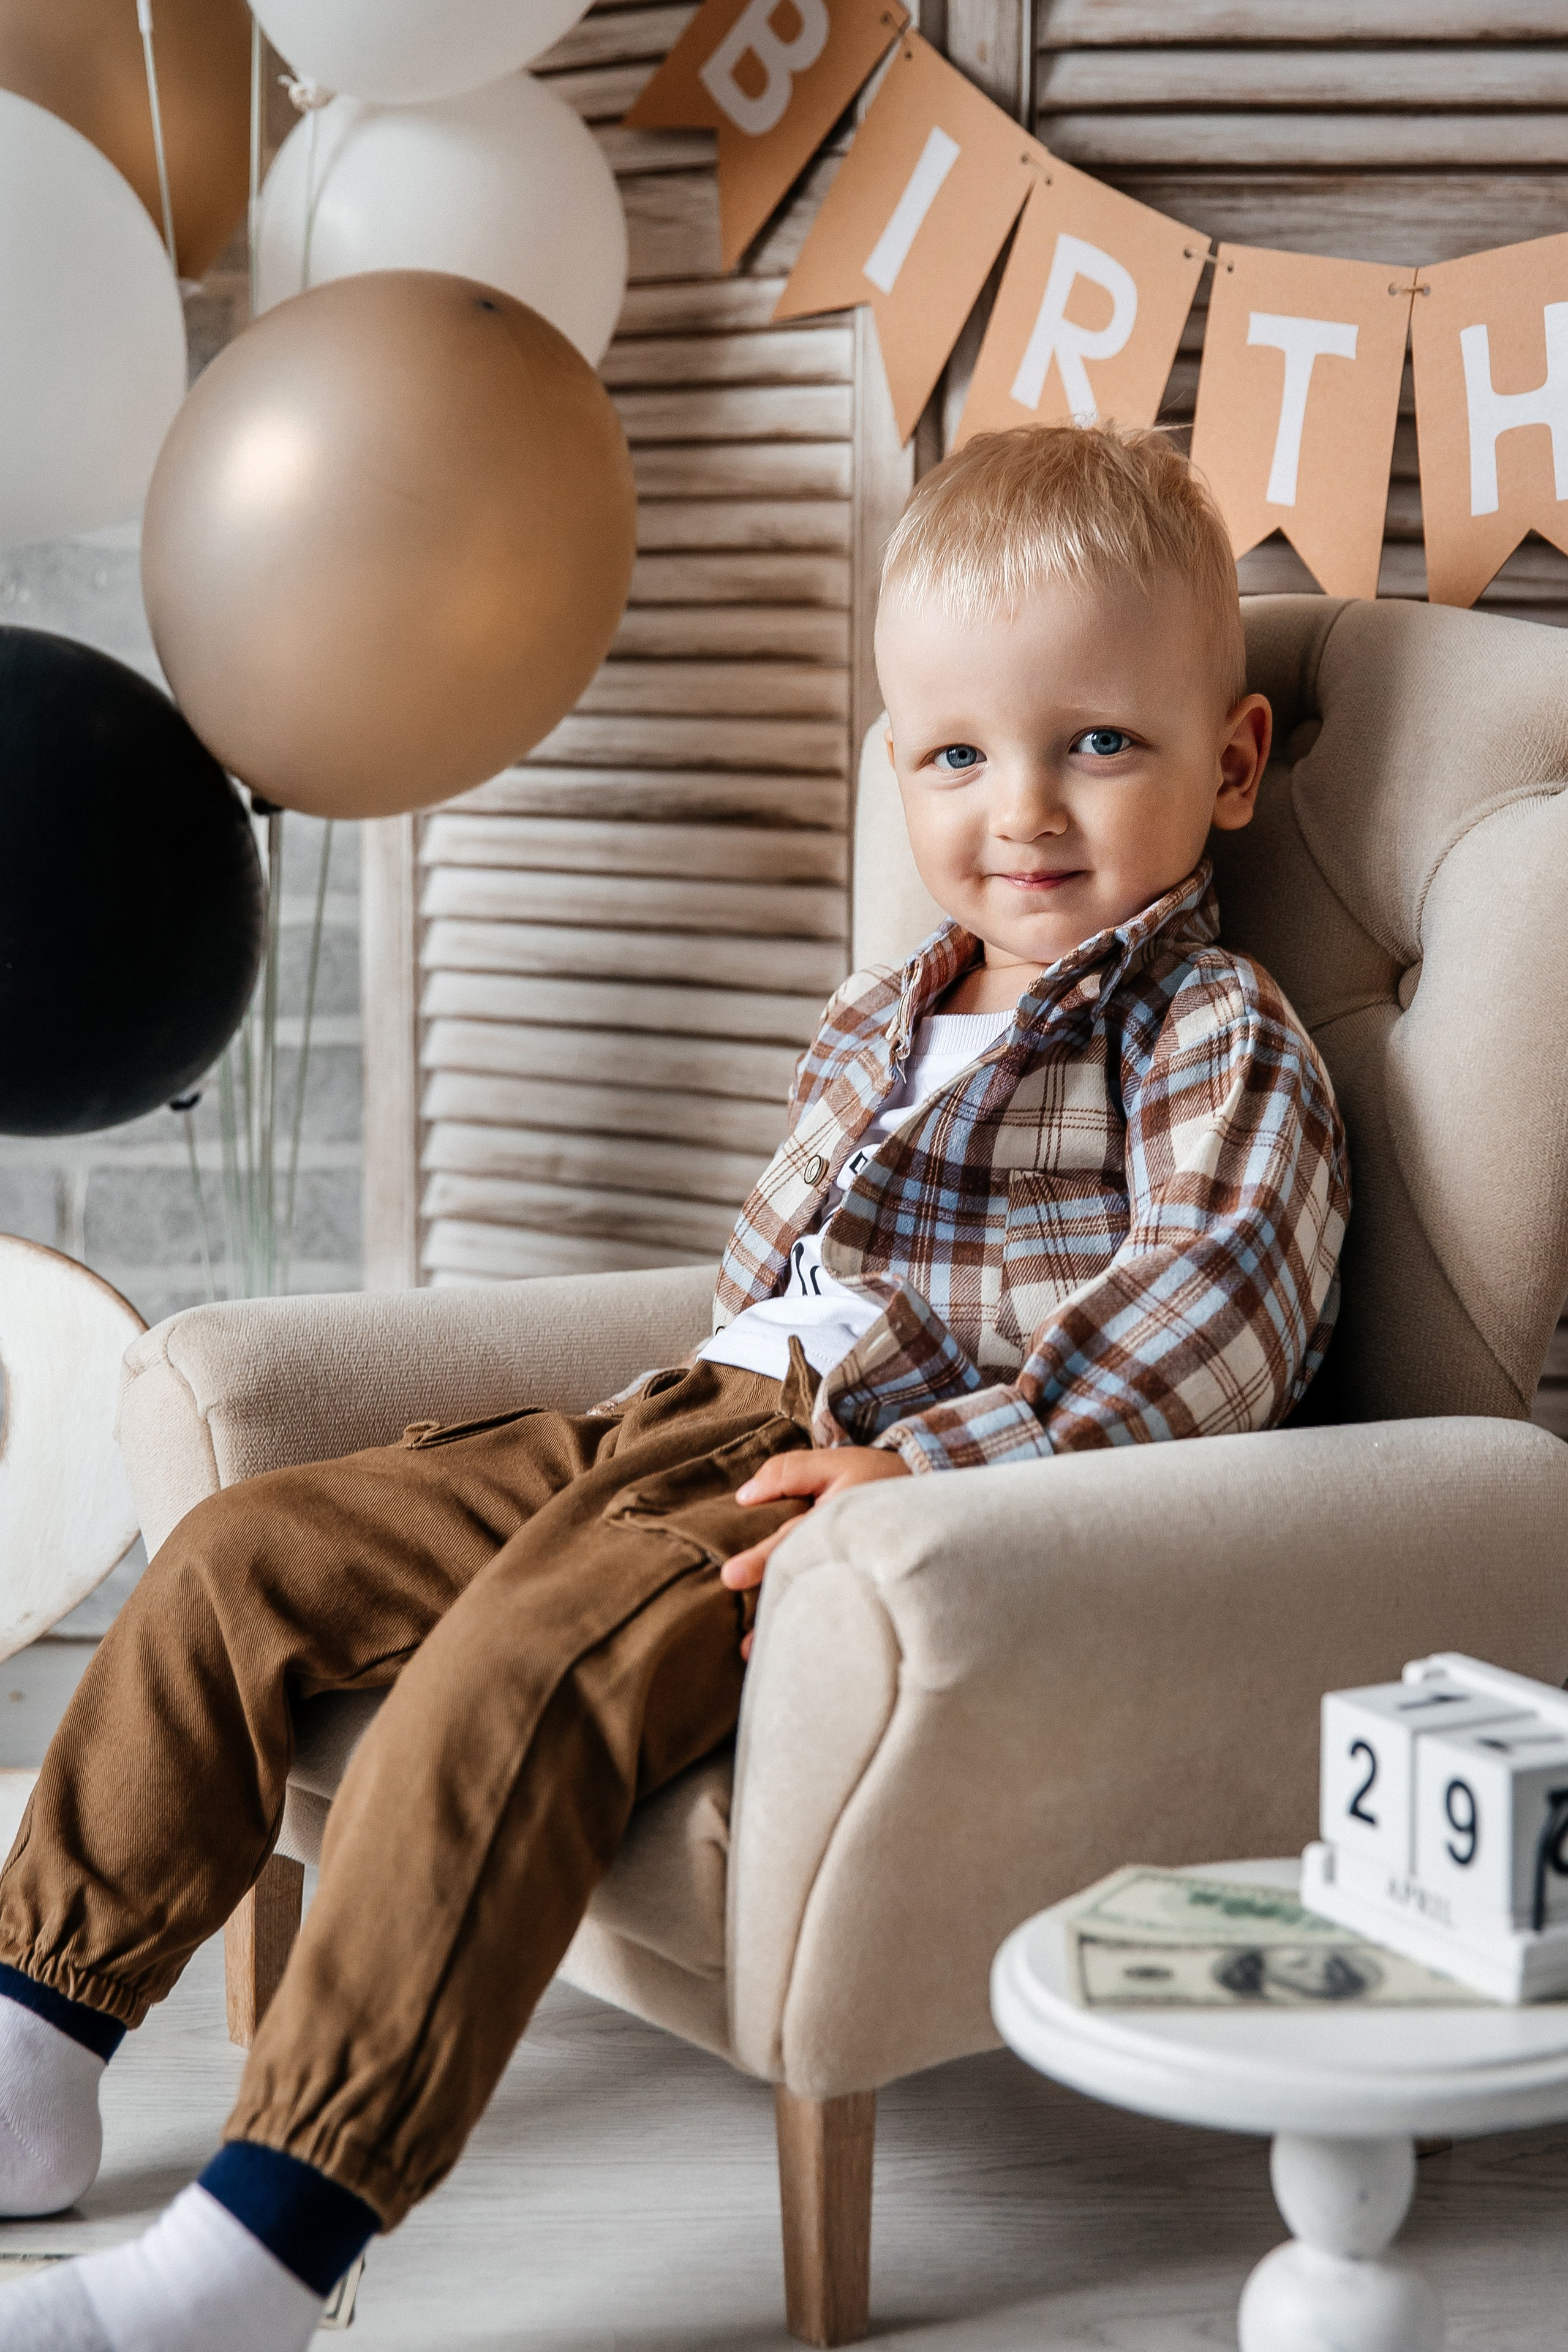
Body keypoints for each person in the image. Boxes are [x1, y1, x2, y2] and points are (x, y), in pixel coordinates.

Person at [0, 422, 1349, 2351]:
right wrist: (647, 1424)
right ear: (899, 769)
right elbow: (766, 1267)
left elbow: (1217, 1314)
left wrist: (941, 1469)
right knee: (238, 1556)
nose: (1023, 808)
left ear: (1230, 763)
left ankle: (265, 2246)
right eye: (960, 754)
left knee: (510, 1680)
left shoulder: (1214, 1035)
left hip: (849, 1480)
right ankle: (34, 2040)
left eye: (1100, 745)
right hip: (675, 1418)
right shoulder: (893, 1005)